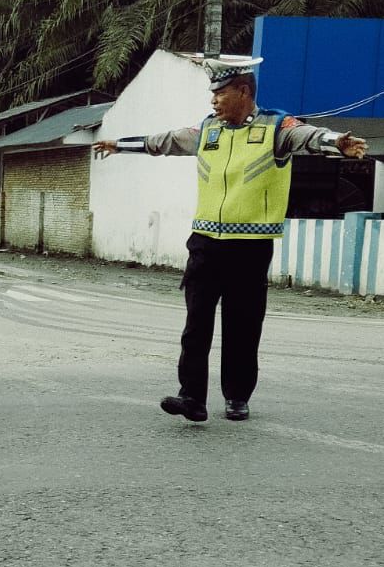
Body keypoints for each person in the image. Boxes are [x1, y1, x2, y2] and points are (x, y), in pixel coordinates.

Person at [94, 55, 370, 423]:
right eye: (213, 94)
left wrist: (337, 141)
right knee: (196, 325)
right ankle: (191, 396)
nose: (213, 101)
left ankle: (237, 396)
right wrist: (119, 145)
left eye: (220, 93)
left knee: (243, 324)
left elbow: (307, 136)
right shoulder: (209, 130)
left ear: (243, 92)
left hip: (250, 247)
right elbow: (167, 142)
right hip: (205, 243)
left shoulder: (276, 127)